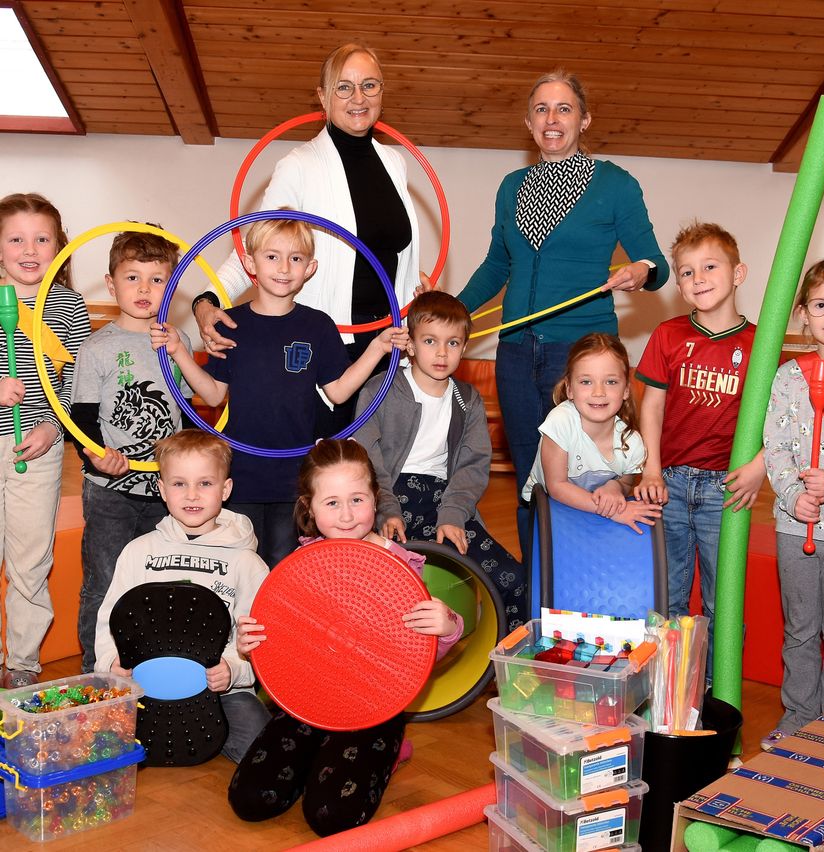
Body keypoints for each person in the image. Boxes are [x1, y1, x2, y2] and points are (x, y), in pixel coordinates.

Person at [456, 70, 669, 555]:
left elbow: (656, 265)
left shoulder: (616, 184)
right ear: (529, 122)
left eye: (564, 109)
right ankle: (538, 587)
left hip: (578, 359)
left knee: (585, 478)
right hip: (513, 354)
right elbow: (497, 266)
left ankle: (581, 578)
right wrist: (452, 312)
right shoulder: (511, 186)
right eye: (541, 109)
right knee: (532, 479)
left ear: (584, 120)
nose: (552, 119)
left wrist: (640, 270)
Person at [228, 438, 463, 835]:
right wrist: (251, 644)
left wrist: (447, 626)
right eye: (332, 503)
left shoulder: (400, 566)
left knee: (330, 817)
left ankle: (386, 752)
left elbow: (415, 656)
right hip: (309, 699)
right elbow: (283, 643)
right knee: (251, 799)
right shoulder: (301, 566)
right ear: (310, 508)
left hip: (373, 706)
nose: (348, 515)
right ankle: (321, 754)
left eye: (357, 499)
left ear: (375, 497)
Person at [151, 215, 408, 569]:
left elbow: (338, 392)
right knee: (240, 565)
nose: (284, 267)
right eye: (272, 257)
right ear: (249, 263)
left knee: (285, 567)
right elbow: (212, 395)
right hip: (240, 475)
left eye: (296, 258)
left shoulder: (317, 325)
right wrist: (179, 350)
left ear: (310, 268)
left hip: (295, 479)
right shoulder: (231, 323)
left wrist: (378, 347)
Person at [192, 42, 425, 432]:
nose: (358, 97)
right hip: (328, 346)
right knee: (323, 472)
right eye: (344, 87)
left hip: (388, 342)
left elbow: (391, 250)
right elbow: (257, 245)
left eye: (370, 85)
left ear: (382, 93)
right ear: (322, 95)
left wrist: (414, 282)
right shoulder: (299, 166)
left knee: (371, 471)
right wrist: (207, 301)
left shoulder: (395, 162)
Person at [634, 222, 766, 680]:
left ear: (739, 272)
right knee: (667, 598)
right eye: (686, 272)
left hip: (725, 491)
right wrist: (650, 468)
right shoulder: (668, 335)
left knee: (721, 602)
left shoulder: (760, 345)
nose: (698, 278)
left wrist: (759, 468)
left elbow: (780, 418)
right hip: (668, 483)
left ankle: (715, 696)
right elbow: (651, 405)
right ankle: (670, 696)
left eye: (709, 267)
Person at [94, 429, 270, 763]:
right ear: (162, 490)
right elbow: (110, 623)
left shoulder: (247, 562)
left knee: (263, 752)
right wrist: (111, 664)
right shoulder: (138, 552)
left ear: (226, 489)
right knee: (92, 744)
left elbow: (259, 639)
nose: (192, 494)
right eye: (179, 484)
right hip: (143, 690)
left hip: (221, 695)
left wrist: (233, 670)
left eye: (205, 483)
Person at [354, 290, 525, 629]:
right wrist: (386, 509)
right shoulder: (380, 390)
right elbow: (366, 461)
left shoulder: (468, 400)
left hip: (444, 501)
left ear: (464, 347)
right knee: (386, 595)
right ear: (411, 345)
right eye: (430, 341)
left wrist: (453, 515)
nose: (442, 353)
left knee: (513, 580)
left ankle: (504, 665)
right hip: (388, 498)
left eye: (453, 343)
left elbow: (472, 466)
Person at [71, 229, 194, 673]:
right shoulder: (97, 347)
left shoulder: (177, 343)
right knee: (104, 583)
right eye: (133, 278)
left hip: (165, 493)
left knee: (159, 582)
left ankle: (151, 666)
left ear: (172, 285)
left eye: (157, 280)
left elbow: (189, 411)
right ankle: (97, 671)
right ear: (111, 284)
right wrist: (94, 452)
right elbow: (80, 418)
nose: (145, 290)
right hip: (111, 491)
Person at [0, 192, 90, 690]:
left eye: (42, 238)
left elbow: (76, 381)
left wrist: (53, 426)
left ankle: (22, 662)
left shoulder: (68, 305)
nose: (29, 249)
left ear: (59, 246)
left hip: (39, 446)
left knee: (31, 557)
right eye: (16, 238)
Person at [761, 256, 824, 750]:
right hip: (795, 526)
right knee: (799, 629)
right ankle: (798, 715)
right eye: (820, 304)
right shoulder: (789, 377)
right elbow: (773, 445)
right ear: (803, 314)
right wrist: (795, 495)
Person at [524, 332, 661, 534]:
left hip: (592, 511)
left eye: (611, 382)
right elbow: (557, 487)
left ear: (626, 390)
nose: (599, 392)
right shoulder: (561, 422)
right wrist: (612, 512)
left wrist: (614, 488)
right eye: (586, 382)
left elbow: (626, 482)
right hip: (550, 510)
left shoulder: (632, 443)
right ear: (569, 389)